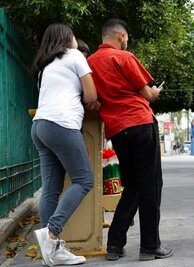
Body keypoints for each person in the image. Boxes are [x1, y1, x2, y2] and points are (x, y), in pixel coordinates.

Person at [87, 18, 173, 261]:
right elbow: (148, 94)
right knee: (151, 185)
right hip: (140, 123)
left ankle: (115, 244)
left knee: (133, 185)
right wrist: (155, 92)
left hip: (116, 129)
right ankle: (149, 246)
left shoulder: (89, 63)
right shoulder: (125, 57)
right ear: (121, 37)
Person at [31, 23, 98, 266]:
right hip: (62, 125)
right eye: (72, 35)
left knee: (51, 188)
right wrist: (88, 100)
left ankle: (50, 251)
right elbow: (91, 96)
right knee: (84, 180)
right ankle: (52, 234)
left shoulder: (45, 67)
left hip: (40, 127)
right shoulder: (74, 55)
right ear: (65, 39)